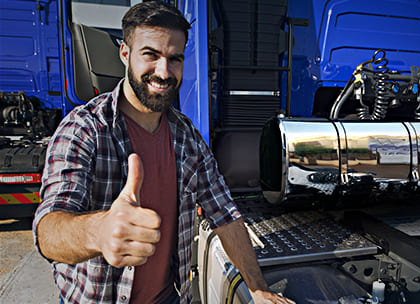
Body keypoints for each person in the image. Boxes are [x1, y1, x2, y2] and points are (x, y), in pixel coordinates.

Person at [32, 2, 294, 304]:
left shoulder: (187, 137)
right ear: (125, 54)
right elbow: (48, 231)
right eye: (151, 55)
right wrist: (98, 231)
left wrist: (258, 288)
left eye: (175, 59)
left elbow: (226, 216)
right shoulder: (84, 129)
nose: (164, 72)